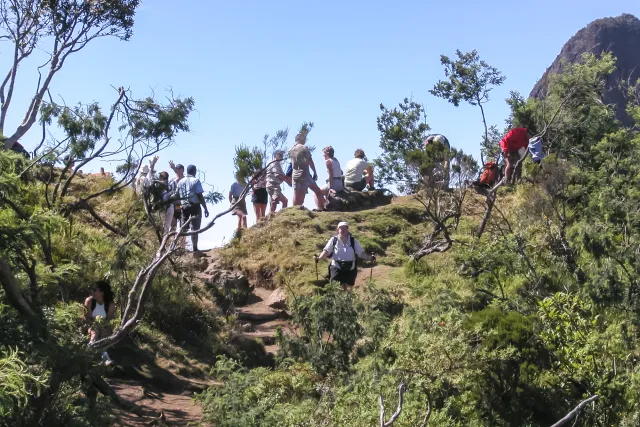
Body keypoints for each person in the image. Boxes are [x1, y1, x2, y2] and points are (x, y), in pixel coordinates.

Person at [314, 221, 375, 287]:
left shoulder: (353, 240)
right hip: (336, 266)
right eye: (341, 228)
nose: (343, 230)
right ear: (338, 230)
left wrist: (369, 258)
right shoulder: (333, 240)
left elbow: (360, 253)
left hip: (351, 268)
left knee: (348, 287)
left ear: (347, 229)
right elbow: (327, 251)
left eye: (345, 228)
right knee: (337, 287)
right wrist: (319, 258)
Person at [288, 133, 326, 209]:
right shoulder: (304, 147)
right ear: (302, 139)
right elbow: (310, 160)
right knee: (317, 191)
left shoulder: (290, 150)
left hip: (295, 174)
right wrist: (315, 172)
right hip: (304, 174)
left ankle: (294, 211)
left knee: (296, 194)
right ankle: (326, 206)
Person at [177, 164, 209, 253]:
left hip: (184, 206)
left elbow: (177, 195)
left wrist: (178, 207)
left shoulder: (180, 181)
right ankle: (195, 248)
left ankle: (179, 248)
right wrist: (205, 208)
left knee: (183, 228)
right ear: (195, 171)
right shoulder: (196, 180)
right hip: (194, 206)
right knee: (195, 228)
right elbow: (200, 195)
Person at [84, 280, 116, 365]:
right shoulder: (89, 301)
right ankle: (104, 356)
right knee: (97, 327)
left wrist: (101, 323)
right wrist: (96, 322)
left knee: (102, 327)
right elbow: (87, 318)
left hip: (104, 329)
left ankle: (91, 346)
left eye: (95, 290)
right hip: (91, 327)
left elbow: (109, 321)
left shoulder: (110, 305)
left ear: (102, 292)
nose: (92, 292)